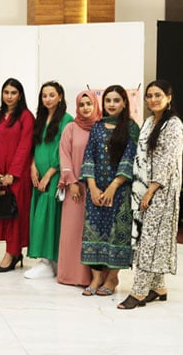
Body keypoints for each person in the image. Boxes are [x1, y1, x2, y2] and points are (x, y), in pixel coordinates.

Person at [119, 80, 183, 309]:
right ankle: (158, 287)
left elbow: (168, 161)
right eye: (149, 96)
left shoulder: (173, 125)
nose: (153, 99)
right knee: (148, 238)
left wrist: (151, 191)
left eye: (158, 95)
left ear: (168, 97)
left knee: (149, 242)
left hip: (162, 190)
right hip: (144, 189)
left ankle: (138, 292)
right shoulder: (147, 122)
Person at [80, 85, 138, 295]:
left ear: (124, 103)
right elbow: (89, 156)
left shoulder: (131, 128)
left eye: (116, 100)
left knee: (116, 233)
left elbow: (130, 158)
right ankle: (96, 279)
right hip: (95, 190)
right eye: (108, 100)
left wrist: (114, 186)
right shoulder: (97, 127)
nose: (112, 104)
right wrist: (93, 187)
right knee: (94, 231)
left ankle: (112, 279)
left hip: (120, 191)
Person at [24, 81, 73, 279]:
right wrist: (33, 166)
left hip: (54, 177)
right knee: (39, 217)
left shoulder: (67, 119)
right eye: (44, 95)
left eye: (52, 95)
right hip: (39, 175)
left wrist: (50, 173)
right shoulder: (40, 118)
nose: (48, 99)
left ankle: (52, 260)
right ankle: (45, 260)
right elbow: (36, 145)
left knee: (50, 217)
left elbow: (63, 150)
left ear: (60, 96)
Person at [0, 78, 34, 273]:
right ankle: (12, 251)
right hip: (0, 175)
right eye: (6, 92)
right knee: (2, 213)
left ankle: (12, 253)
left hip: (18, 176)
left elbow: (25, 146)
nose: (9, 96)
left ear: (20, 95)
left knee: (16, 214)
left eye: (13, 93)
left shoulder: (26, 117)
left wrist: (12, 174)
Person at [56, 91, 100, 287]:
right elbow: (64, 155)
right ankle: (71, 276)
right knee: (73, 232)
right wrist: (71, 182)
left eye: (89, 103)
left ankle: (95, 277)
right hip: (75, 188)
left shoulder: (101, 127)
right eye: (81, 104)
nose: (85, 108)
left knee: (92, 232)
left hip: (97, 188)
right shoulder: (71, 128)